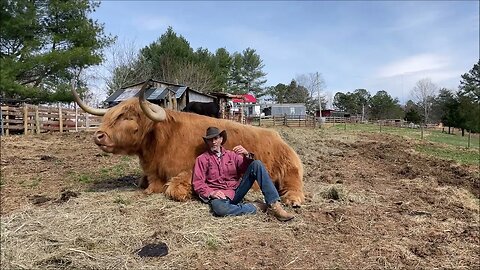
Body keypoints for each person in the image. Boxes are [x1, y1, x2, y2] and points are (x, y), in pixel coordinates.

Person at [192, 126, 294, 221]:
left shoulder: (231, 155)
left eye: (216, 138)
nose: (214, 142)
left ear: (221, 139)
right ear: (207, 142)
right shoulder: (201, 159)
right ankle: (256, 206)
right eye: (210, 139)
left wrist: (246, 155)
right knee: (220, 210)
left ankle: (275, 206)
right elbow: (198, 183)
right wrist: (211, 193)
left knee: (256, 164)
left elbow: (245, 168)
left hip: (237, 191)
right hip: (220, 195)